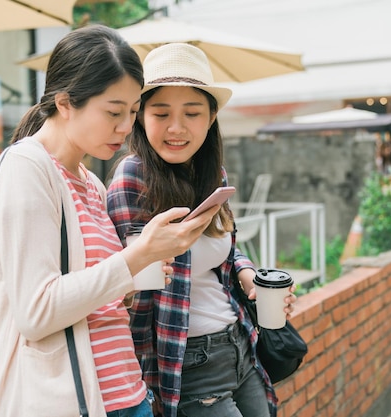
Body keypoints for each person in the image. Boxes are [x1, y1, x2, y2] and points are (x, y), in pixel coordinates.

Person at [0, 26, 218, 417]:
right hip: (72, 401)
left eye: (134, 112)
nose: (125, 128)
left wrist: (139, 274)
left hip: (126, 393)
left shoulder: (90, 183)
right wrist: (136, 257)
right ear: (66, 102)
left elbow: (96, 299)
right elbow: (37, 313)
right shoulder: (26, 169)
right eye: (114, 112)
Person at [106, 43, 297, 417]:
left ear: (211, 119)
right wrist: (148, 386)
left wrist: (246, 272)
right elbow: (135, 296)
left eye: (192, 113)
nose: (176, 128)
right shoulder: (132, 179)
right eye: (161, 113)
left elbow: (221, 249)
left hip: (240, 342)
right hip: (188, 360)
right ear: (141, 116)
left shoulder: (212, 175)